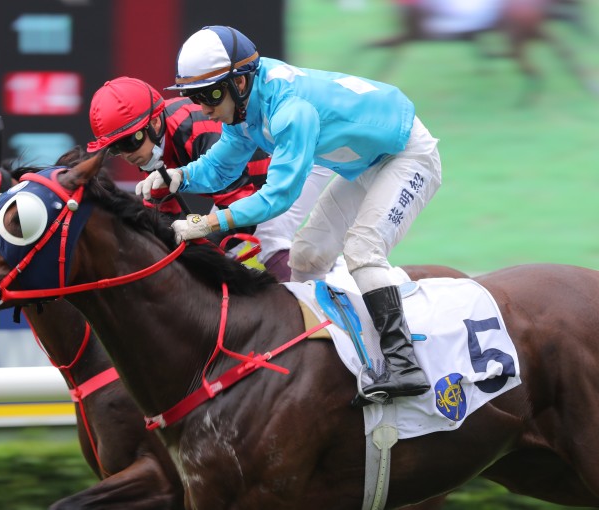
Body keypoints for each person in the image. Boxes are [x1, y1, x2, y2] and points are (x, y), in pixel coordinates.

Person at [141, 26, 442, 404]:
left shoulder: (290, 110)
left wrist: (209, 222)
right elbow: (220, 167)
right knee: (306, 256)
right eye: (194, 97)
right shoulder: (247, 102)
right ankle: (325, 356)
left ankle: (404, 363)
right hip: (365, 163)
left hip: (407, 155)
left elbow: (277, 197)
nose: (203, 108)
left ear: (239, 82)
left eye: (209, 94)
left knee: (362, 249)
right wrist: (178, 177)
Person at [87, 76, 331, 281]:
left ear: (154, 122)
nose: (127, 155)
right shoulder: (150, 147)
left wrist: (195, 249)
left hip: (310, 153)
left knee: (268, 236)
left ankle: (329, 305)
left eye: (130, 141)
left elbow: (244, 217)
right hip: (257, 178)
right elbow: (163, 219)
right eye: (115, 148)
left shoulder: (197, 131)